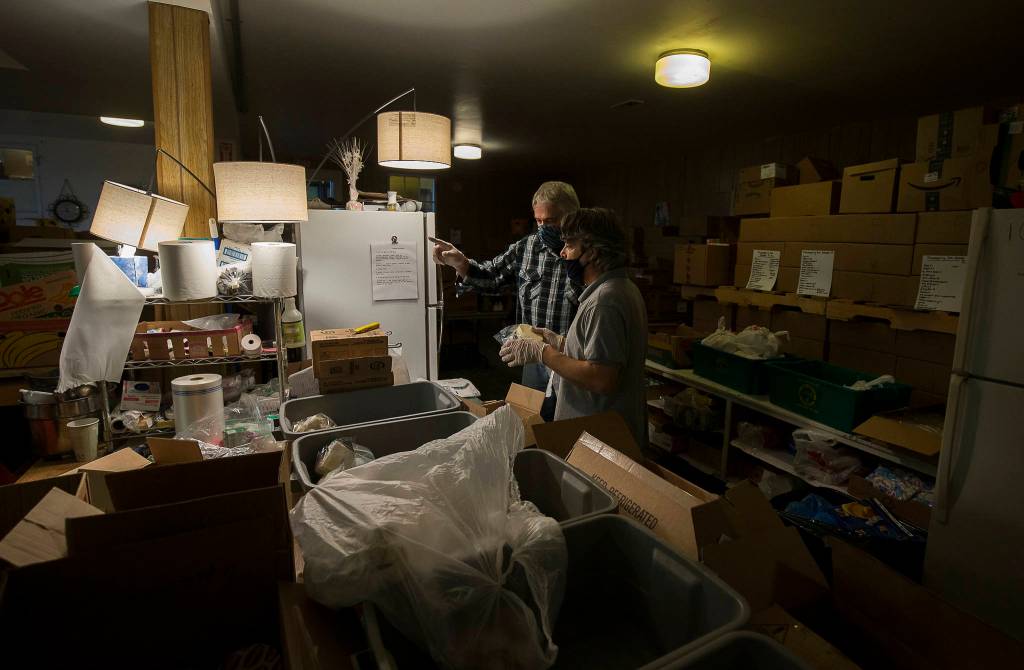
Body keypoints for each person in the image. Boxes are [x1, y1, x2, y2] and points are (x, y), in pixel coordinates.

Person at [498, 208, 648, 447]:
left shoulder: (605, 301)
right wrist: (557, 341)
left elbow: (602, 378)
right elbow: (598, 351)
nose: (562, 252)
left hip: (599, 439)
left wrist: (543, 353)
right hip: (599, 432)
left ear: (594, 251)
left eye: (569, 245)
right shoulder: (616, 289)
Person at [432, 181, 581, 392]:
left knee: (570, 422)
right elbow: (493, 276)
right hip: (533, 356)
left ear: (572, 216)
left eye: (551, 221)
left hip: (574, 359)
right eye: (538, 221)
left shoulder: (588, 253)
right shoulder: (527, 247)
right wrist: (461, 263)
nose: (543, 228)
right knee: (534, 419)